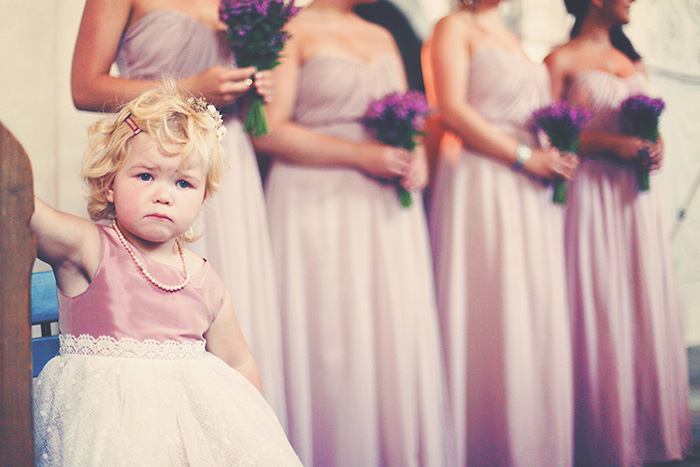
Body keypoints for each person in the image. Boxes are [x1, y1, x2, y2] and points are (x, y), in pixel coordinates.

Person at [31, 83, 301, 465]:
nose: (164, 194)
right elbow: (24, 208)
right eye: (145, 176)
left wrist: (251, 431)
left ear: (203, 197)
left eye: (183, 183)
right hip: (108, 433)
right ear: (109, 184)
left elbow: (238, 360)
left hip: (188, 442)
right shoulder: (89, 248)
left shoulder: (205, 279)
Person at [251, 0, 452, 465]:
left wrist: (416, 154)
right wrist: (361, 156)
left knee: (387, 334)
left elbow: (410, 121)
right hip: (315, 201)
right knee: (330, 336)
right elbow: (268, 132)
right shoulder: (291, 29)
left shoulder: (383, 34)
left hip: (384, 207)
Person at [70, 0, 288, 426]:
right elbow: (84, 87)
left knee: (231, 307)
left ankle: (234, 430)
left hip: (224, 163)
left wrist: (254, 87)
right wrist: (185, 89)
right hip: (154, 158)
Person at [423, 0, 579, 464]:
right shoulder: (454, 26)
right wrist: (524, 156)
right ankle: (484, 442)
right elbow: (449, 108)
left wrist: (551, 149)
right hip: (484, 177)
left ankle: (532, 439)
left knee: (528, 309)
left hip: (528, 185)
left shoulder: (511, 37)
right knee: (490, 301)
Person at [545, 0, 691, 464]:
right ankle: (596, 435)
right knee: (599, 302)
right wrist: (610, 144)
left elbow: (656, 129)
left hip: (635, 203)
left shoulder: (634, 61)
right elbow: (548, 138)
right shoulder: (560, 60)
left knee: (638, 300)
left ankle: (641, 430)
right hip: (589, 198)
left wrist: (656, 148)